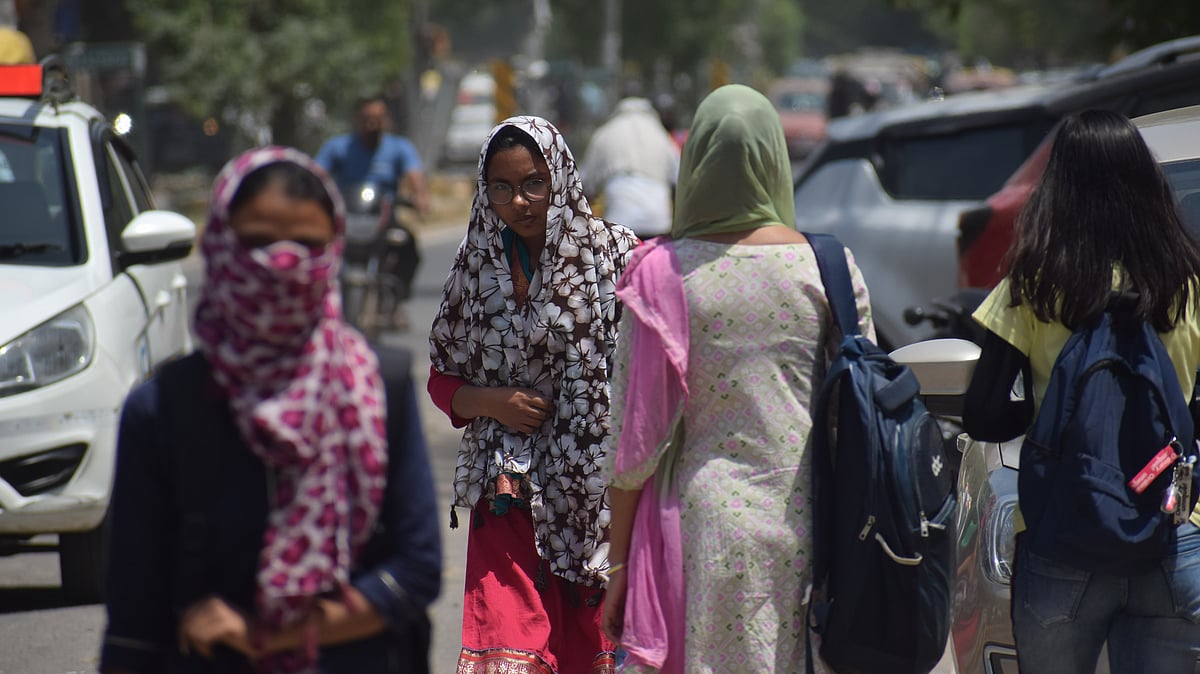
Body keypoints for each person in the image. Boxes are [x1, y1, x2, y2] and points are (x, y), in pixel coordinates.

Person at [100, 146, 441, 674]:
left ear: (334, 248)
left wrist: (271, 637)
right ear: (219, 243)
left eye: (306, 245)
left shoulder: (380, 385)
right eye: (259, 243)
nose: (283, 265)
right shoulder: (163, 409)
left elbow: (416, 571)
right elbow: (133, 623)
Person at [600, 84, 873, 672]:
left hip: (700, 534)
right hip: (810, 528)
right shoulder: (827, 268)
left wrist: (618, 565)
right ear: (775, 160)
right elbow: (858, 413)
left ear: (694, 162)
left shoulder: (661, 275)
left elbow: (633, 446)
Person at [962, 109, 1200, 674]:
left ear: (1058, 188)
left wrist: (1046, 418)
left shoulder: (1034, 286)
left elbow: (984, 415)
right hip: (1171, 533)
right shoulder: (1186, 286)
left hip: (1062, 541)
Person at [427, 116, 640, 673]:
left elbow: (651, 373)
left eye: (533, 184)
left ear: (561, 177)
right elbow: (442, 378)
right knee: (510, 645)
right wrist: (493, 403)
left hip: (596, 496)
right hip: (509, 492)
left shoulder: (616, 256)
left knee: (592, 648)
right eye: (501, 188)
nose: (519, 202)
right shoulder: (475, 266)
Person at [315, 95, 430, 329]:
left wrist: (420, 196)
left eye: (378, 118)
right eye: (367, 118)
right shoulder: (338, 147)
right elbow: (316, 173)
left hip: (383, 217)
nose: (372, 124)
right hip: (346, 217)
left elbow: (414, 175)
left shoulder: (399, 147)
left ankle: (396, 300)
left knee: (406, 245)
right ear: (357, 119)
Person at [580, 96, 679, 239]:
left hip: (619, 223)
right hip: (659, 223)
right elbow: (678, 180)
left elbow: (584, 186)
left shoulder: (606, 132)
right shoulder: (660, 134)